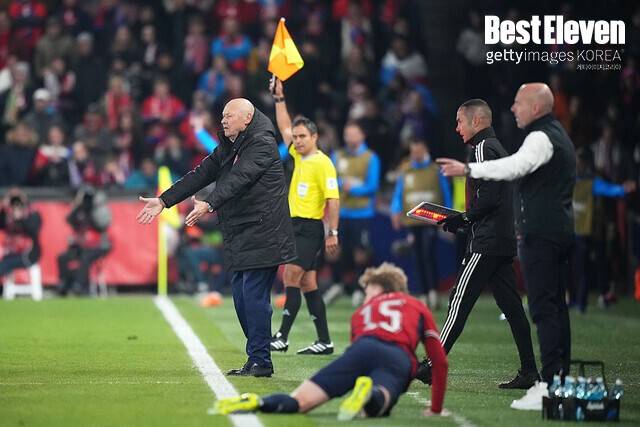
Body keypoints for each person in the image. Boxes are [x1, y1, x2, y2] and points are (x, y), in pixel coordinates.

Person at [437, 84, 576, 410]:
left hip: (520, 237)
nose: (513, 108)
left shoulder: (529, 139)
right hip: (542, 233)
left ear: (536, 107)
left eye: (518, 103)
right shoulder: (559, 137)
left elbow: (508, 174)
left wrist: (467, 181)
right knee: (528, 308)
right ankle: (541, 375)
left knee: (468, 302)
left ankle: (549, 386)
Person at [136, 98, 296, 378]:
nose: (223, 120)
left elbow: (239, 179)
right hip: (243, 230)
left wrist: (209, 203)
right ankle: (257, 357)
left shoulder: (261, 143)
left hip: (264, 230)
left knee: (253, 297)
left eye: (229, 116)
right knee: (241, 298)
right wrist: (164, 200)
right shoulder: (232, 144)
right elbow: (202, 173)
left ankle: (261, 360)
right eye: (222, 115)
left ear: (247, 118)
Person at [210, 263, 448, 421]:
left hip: (362, 349)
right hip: (397, 357)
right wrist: (435, 408)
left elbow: (359, 353)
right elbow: (439, 362)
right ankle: (370, 396)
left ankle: (258, 402)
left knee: (300, 401)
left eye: (368, 290)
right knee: (379, 401)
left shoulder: (362, 313)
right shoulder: (417, 306)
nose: (366, 295)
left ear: (380, 289)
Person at [416, 99, 538, 390]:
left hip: (486, 241)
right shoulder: (496, 148)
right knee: (512, 308)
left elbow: (490, 196)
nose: (457, 128)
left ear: (477, 121)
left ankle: (432, 365)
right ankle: (530, 371)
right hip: (501, 239)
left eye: (460, 121)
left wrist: (464, 218)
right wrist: (464, 219)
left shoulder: (483, 148)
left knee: (459, 300)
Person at [269, 77, 340, 355]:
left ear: (314, 138)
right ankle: (325, 341)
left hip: (309, 228)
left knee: (290, 276)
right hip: (295, 226)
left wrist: (333, 233)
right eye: (296, 137)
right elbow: (284, 126)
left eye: (302, 137)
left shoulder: (323, 163)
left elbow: (333, 200)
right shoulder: (300, 157)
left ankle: (281, 337)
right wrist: (279, 99)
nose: (296, 141)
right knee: (308, 283)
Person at [390, 138, 452, 308]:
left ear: (425, 151)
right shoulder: (405, 171)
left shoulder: (435, 170)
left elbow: (445, 193)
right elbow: (398, 193)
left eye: (418, 151)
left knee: (428, 254)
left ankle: (433, 292)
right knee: (417, 257)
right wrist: (395, 211)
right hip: (411, 220)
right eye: (413, 152)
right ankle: (424, 294)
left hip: (431, 219)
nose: (415, 155)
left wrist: (448, 215)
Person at [325, 121, 381, 306]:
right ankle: (337, 284)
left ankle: (359, 288)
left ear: (362, 135)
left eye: (353, 134)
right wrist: (342, 185)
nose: (349, 138)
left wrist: (354, 189)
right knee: (332, 249)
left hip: (362, 213)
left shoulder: (371, 157)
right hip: (340, 212)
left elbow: (373, 186)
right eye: (347, 134)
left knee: (361, 253)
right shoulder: (337, 156)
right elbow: (329, 179)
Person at [57, 186, 112, 296]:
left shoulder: (99, 208)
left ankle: (79, 286)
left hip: (99, 245)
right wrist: (77, 204)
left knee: (85, 257)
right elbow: (69, 219)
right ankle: (64, 284)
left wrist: (93, 207)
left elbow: (103, 223)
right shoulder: (80, 210)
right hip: (83, 245)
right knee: (63, 257)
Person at [0, 188, 42, 278]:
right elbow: (1, 225)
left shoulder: (32, 214)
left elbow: (33, 230)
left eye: (18, 201)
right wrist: (4, 208)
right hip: (12, 252)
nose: (16, 205)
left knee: (5, 263)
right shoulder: (8, 216)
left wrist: (21, 218)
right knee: (5, 261)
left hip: (28, 255)